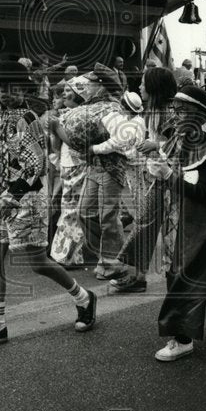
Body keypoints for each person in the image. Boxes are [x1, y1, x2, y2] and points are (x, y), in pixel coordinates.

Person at [0, 61, 96, 346]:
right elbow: (9, 161)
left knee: (37, 262)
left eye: (13, 88)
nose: (6, 93)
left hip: (26, 199)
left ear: (24, 89)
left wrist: (11, 195)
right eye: (1, 89)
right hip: (6, 197)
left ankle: (84, 297)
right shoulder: (6, 117)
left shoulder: (28, 119)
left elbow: (37, 167)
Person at [154, 85, 206, 362]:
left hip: (193, 222)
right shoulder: (176, 139)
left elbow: (204, 193)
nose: (176, 113)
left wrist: (168, 175)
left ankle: (182, 339)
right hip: (172, 218)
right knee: (178, 273)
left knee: (183, 274)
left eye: (182, 109)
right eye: (176, 107)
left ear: (198, 114)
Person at [110, 66, 178, 293]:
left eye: (143, 83)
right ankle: (138, 277)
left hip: (169, 180)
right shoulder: (153, 111)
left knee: (153, 225)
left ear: (154, 86)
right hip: (154, 176)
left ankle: (131, 269)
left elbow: (183, 144)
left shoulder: (169, 112)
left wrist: (155, 145)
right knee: (146, 223)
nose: (139, 86)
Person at [74, 63, 128, 278]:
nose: (85, 88)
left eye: (89, 85)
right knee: (84, 212)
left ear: (101, 86)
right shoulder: (92, 107)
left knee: (108, 216)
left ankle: (112, 261)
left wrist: (94, 147)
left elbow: (122, 140)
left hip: (110, 167)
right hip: (95, 166)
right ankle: (107, 254)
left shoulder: (113, 109)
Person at [48, 77, 90, 268]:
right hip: (68, 164)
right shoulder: (65, 114)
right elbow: (56, 147)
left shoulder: (82, 115)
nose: (64, 94)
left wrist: (56, 128)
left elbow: (78, 144)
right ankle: (66, 254)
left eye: (68, 90)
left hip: (78, 164)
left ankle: (71, 255)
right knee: (69, 209)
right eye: (63, 90)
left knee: (72, 210)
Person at [92, 91, 146, 229]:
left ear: (124, 107)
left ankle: (139, 219)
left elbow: (116, 144)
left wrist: (96, 148)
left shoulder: (132, 125)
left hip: (131, 163)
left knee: (134, 193)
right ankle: (130, 216)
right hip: (130, 161)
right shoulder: (136, 120)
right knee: (131, 193)